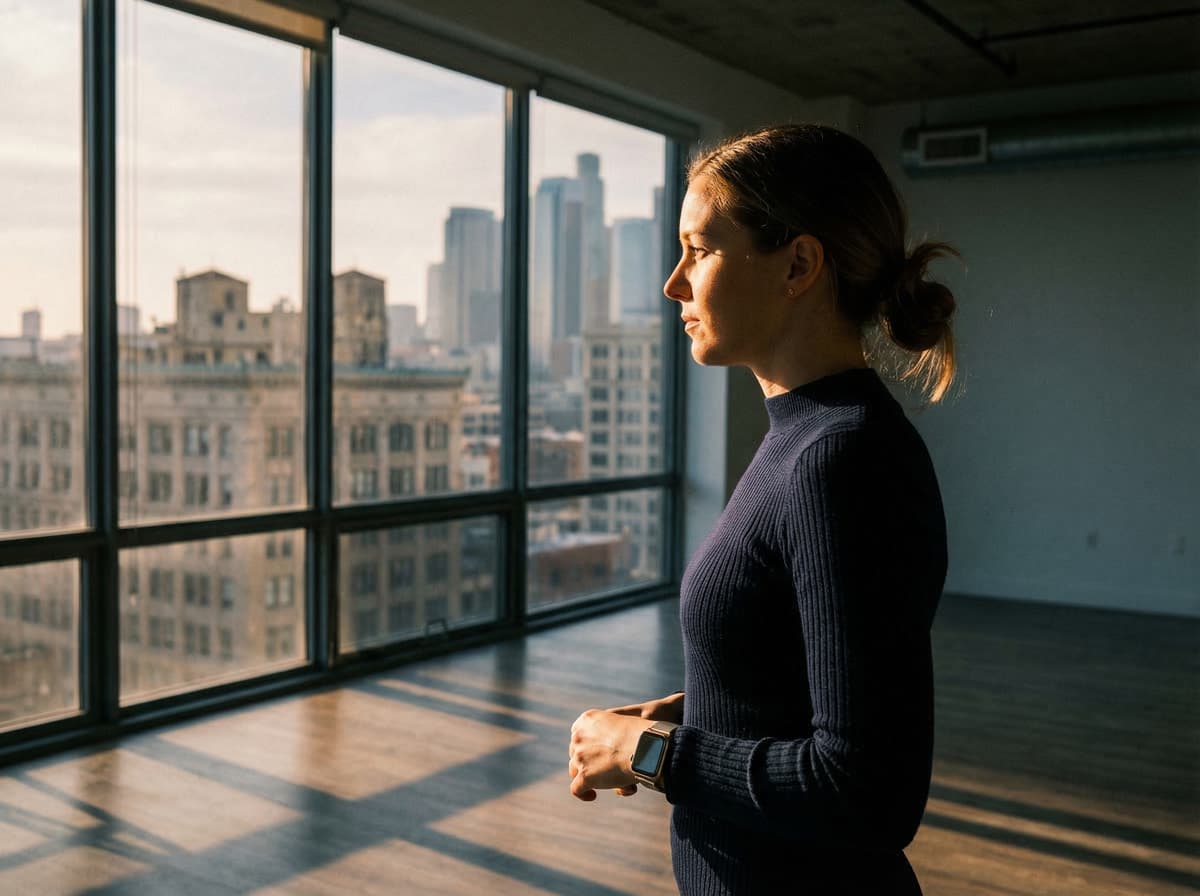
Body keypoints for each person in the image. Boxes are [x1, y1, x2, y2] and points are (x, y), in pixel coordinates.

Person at [567, 123, 957, 895]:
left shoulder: (838, 460)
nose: (674, 283)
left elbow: (868, 792)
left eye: (700, 249)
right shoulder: (808, 441)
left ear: (799, 265)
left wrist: (650, 754)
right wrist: (699, 708)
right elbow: (807, 674)